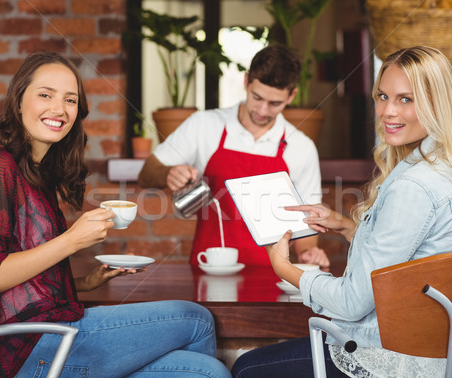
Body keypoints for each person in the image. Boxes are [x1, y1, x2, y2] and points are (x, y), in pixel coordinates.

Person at [0, 52, 232, 378]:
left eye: (69, 99)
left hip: (56, 346)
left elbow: (26, 284)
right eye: (46, 94)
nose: (59, 108)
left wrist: (85, 283)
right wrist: (72, 241)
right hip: (34, 354)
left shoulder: (38, 176)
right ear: (19, 101)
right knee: (196, 320)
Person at [231, 46, 452, 378]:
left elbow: (354, 302)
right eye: (383, 96)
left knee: (247, 372)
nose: (387, 111)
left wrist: (286, 268)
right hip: (434, 367)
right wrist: (346, 226)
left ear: (437, 105)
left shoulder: (412, 185)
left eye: (405, 99)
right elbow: (408, 258)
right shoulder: (443, 169)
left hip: (389, 367)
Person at [138, 45, 329, 269]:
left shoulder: (301, 147)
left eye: (275, 103)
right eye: (256, 97)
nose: (263, 110)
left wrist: (308, 253)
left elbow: (306, 222)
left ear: (292, 95)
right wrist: (168, 173)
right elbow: (146, 174)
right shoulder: (204, 125)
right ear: (246, 82)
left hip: (274, 274)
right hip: (210, 268)